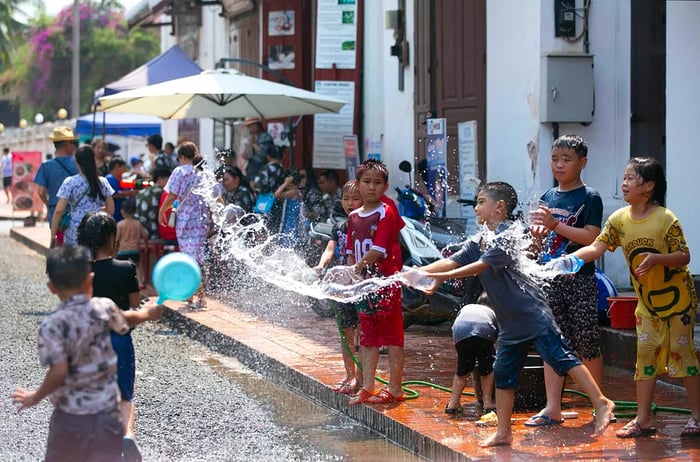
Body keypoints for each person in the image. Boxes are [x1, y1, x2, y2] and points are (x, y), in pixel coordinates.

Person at [416, 181, 614, 447]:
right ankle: (503, 431)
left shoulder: (509, 235)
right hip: (509, 320)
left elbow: (479, 266)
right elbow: (455, 260)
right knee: (504, 372)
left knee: (561, 358)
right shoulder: (481, 238)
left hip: (531, 313)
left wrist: (440, 278)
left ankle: (601, 402)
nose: (476, 208)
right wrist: (423, 272)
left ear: (498, 207)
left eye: (480, 202)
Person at [560, 157, 700, 439]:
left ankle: (697, 416)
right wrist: (569, 259)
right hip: (647, 305)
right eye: (623, 178)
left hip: (679, 305)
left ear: (648, 186)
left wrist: (657, 259)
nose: (623, 183)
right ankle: (643, 419)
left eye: (630, 178)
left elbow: (684, 256)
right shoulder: (619, 220)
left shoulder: (665, 218)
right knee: (644, 359)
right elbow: (597, 248)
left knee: (682, 356)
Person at [10, 246, 163, 462]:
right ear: (90, 280)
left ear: (52, 288)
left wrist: (35, 396)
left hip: (70, 418)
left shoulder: (52, 325)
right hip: (107, 416)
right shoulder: (105, 308)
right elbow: (127, 318)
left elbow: (59, 370)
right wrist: (147, 313)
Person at [526, 134, 607, 427]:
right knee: (552, 342)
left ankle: (598, 404)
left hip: (580, 280)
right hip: (551, 280)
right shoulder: (549, 197)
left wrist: (555, 225)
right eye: (555, 159)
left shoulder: (590, 197)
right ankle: (552, 406)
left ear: (582, 163)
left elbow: (591, 237)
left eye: (566, 159)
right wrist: (536, 239)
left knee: (586, 343)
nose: (559, 165)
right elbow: (540, 239)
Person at [346, 159, 406, 406]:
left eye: (377, 183)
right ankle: (368, 386)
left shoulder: (386, 211)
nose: (371, 187)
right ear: (357, 185)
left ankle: (395, 388)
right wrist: (351, 276)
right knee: (368, 335)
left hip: (386, 283)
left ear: (385, 186)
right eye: (366, 182)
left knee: (392, 336)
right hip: (364, 285)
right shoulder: (353, 217)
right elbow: (351, 250)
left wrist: (356, 268)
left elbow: (379, 249)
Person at [313, 180, 364, 395]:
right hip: (341, 288)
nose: (350, 203)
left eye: (355, 198)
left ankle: (361, 379)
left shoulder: (365, 224)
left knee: (362, 335)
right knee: (346, 332)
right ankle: (349, 375)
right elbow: (330, 248)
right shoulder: (339, 227)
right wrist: (321, 265)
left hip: (360, 287)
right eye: (346, 199)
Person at [158, 141, 217, 308]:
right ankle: (197, 294)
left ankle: (195, 293)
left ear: (182, 157)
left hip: (185, 220)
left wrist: (162, 212)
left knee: (189, 257)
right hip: (202, 219)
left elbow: (171, 196)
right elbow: (215, 196)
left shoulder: (180, 171)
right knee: (197, 256)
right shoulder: (203, 172)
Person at [51, 145, 115, 247]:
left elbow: (59, 211)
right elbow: (111, 210)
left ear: (77, 162)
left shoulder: (70, 182)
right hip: (97, 227)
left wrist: (53, 236)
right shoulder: (102, 182)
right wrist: (98, 210)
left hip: (75, 230)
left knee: (76, 260)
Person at [445, 292, 498, 416]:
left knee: (462, 369)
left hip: (460, 331)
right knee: (487, 369)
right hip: (484, 330)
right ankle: (488, 402)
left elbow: (456, 326)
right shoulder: (493, 313)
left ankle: (453, 403)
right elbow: (497, 340)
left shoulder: (468, 307)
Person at [35, 127, 79, 243]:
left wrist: (48, 203)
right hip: (76, 211)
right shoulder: (78, 163)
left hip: (55, 214)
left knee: (59, 246)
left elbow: (40, 192)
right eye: (73, 143)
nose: (74, 146)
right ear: (67, 145)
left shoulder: (46, 166)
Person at [252, 143, 287, 232]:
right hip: (280, 202)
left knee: (264, 227)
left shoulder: (266, 169)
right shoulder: (283, 170)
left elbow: (257, 185)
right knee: (276, 227)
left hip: (265, 202)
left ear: (268, 156)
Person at [117, 198, 149, 289]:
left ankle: (122, 283)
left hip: (122, 251)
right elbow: (145, 236)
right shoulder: (137, 223)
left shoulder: (120, 224)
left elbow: (117, 239)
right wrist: (146, 246)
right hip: (135, 250)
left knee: (121, 267)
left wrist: (115, 248)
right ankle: (140, 283)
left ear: (122, 211)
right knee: (138, 266)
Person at [136, 167, 171, 241]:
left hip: (139, 231)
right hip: (153, 232)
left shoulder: (141, 192)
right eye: (168, 180)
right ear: (160, 180)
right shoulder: (161, 193)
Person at [274, 170, 305, 247]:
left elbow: (277, 194)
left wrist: (285, 183)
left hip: (289, 223)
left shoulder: (293, 192)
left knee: (286, 244)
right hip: (292, 222)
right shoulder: (298, 193)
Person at [243, 117, 275, 181]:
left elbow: (264, 155)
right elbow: (249, 154)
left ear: (257, 125)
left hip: (262, 168)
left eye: (251, 126)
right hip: (251, 168)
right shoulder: (251, 137)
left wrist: (253, 143)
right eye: (248, 127)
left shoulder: (265, 136)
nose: (249, 129)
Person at [106, 156, 137, 223]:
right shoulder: (109, 179)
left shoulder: (122, 179)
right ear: (117, 166)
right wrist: (130, 193)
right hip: (114, 213)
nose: (125, 168)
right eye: (123, 166)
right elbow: (114, 194)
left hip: (124, 214)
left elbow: (133, 185)